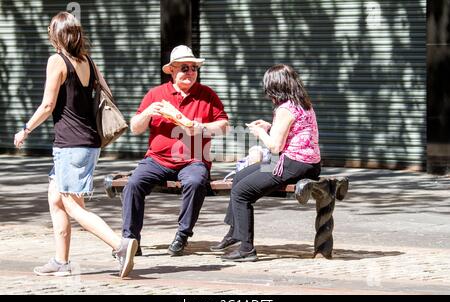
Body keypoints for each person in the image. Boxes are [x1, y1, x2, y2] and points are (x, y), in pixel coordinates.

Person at [13, 12, 137, 278]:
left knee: (73, 206)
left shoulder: (57, 60)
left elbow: (48, 104)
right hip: (87, 142)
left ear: (56, 34)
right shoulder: (89, 62)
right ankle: (61, 261)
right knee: (55, 199)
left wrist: (26, 129)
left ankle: (120, 245)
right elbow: (106, 92)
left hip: (71, 145)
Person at [122, 45, 229, 256]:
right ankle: (131, 239)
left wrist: (201, 127)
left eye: (193, 68)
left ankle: (183, 234)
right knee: (133, 184)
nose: (190, 72)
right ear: (171, 70)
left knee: (196, 182)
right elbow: (135, 128)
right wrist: (147, 114)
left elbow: (224, 126)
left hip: (193, 160)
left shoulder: (206, 94)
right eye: (184, 68)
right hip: (157, 160)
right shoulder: (156, 94)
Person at [211, 64, 321, 262]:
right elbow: (293, 131)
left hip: (291, 163)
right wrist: (270, 126)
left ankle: (246, 248)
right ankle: (235, 232)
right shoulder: (301, 103)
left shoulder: (284, 109)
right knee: (239, 177)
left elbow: (275, 147)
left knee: (241, 192)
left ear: (276, 87)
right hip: (307, 162)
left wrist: (260, 133)